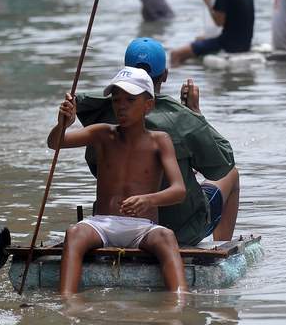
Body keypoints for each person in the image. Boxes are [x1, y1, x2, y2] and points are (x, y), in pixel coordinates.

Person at [58, 38, 240, 244]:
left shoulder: (103, 116)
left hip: (110, 224)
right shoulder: (181, 118)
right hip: (180, 229)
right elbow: (222, 165)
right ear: (165, 75)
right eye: (118, 99)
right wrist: (196, 113)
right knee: (231, 174)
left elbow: (97, 168)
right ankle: (220, 248)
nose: (121, 104)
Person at [49, 67, 188, 296]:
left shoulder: (160, 140)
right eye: (116, 100)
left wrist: (148, 200)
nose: (121, 106)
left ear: (148, 106)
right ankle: (68, 300)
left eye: (130, 100)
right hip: (102, 224)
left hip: (143, 228)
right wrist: (63, 123)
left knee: (166, 236)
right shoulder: (103, 134)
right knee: (74, 233)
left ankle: (180, 299)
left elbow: (179, 190)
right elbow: (55, 143)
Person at [170, 0, 255, 65]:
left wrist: (208, 2)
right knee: (199, 39)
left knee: (176, 54)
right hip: (245, 42)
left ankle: (175, 81)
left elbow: (219, 22)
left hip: (229, 44)